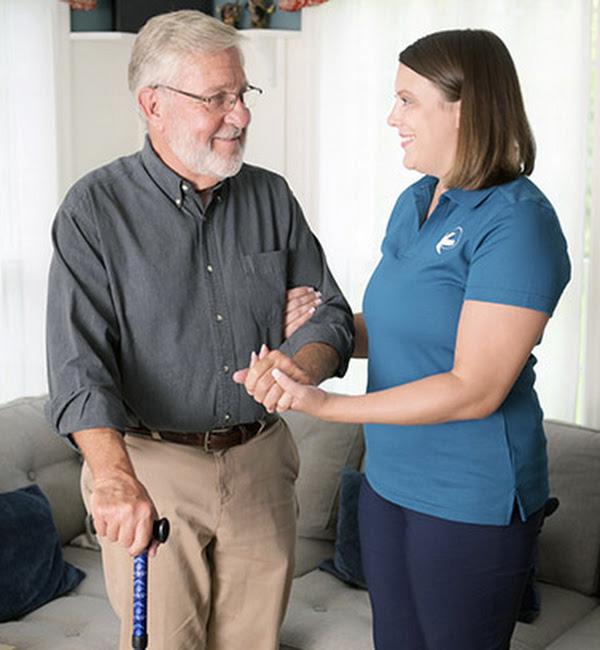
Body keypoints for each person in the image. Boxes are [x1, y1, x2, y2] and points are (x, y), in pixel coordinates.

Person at [250, 29, 571, 650]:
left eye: (407, 101)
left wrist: (329, 406)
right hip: (388, 484)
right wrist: (310, 334)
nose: (392, 117)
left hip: (469, 497)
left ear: (464, 109)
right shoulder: (417, 200)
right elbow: (398, 329)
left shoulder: (517, 222)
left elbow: (475, 388)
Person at [45, 10, 353, 650]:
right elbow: (78, 369)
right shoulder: (93, 210)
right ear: (153, 104)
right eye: (217, 98)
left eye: (242, 94)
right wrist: (113, 477)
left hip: (261, 463)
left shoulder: (272, 197)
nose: (240, 115)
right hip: (153, 467)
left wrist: (301, 363)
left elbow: (330, 316)